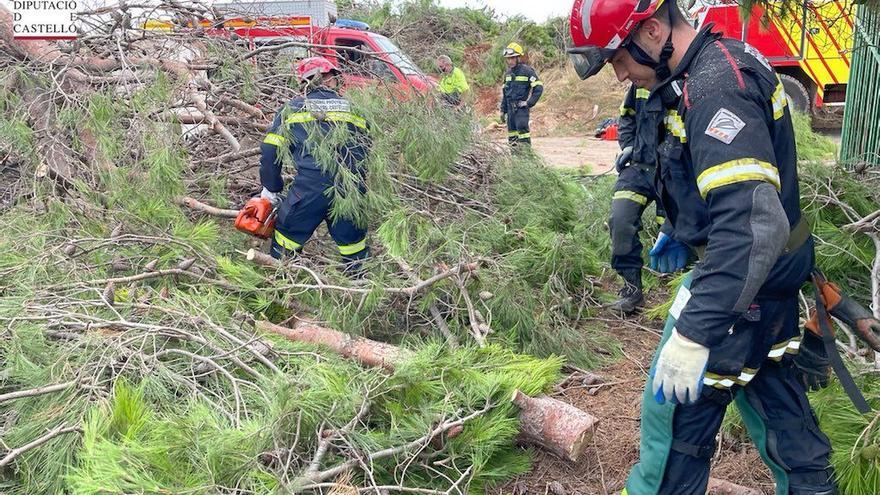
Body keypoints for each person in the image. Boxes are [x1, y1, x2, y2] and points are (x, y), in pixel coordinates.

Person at [568, 1, 836, 494]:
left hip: (741, 284)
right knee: (775, 402)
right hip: (768, 279)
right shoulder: (703, 71)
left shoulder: (715, 88)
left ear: (651, 32)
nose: (619, 73)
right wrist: (686, 224)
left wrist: (694, 333)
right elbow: (723, 184)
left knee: (672, 423)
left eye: (618, 59)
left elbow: (752, 225)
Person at [259, 57, 371, 272]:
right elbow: (367, 150)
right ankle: (360, 294)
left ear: (304, 83)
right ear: (333, 79)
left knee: (285, 243)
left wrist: (271, 188)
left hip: (309, 189)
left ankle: (281, 293)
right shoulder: (356, 110)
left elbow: (270, 151)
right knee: (354, 248)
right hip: (351, 189)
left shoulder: (292, 110)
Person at [609, 83, 688, 314]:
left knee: (681, 228)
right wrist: (629, 145)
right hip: (638, 168)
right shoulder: (638, 83)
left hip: (674, 171)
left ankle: (680, 290)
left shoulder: (686, 81)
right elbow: (627, 116)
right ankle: (631, 289)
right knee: (621, 220)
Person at [500, 42, 543, 146]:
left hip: (521, 110)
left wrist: (528, 103)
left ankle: (527, 157)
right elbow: (505, 94)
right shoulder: (508, 74)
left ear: (519, 58)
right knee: (512, 136)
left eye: (512, 58)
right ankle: (515, 159)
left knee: (523, 135)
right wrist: (503, 110)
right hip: (510, 110)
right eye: (508, 58)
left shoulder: (527, 71)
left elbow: (538, 88)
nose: (510, 61)